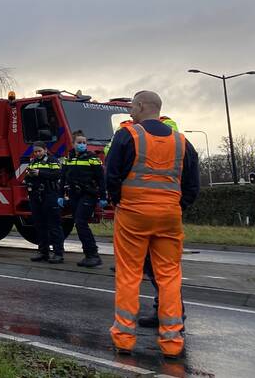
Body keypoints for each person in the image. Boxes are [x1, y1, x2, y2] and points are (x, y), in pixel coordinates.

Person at [106, 91, 199, 359]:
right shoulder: (182, 142)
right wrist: (177, 205)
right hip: (169, 214)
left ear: (143, 106)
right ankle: (172, 341)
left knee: (129, 273)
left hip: (133, 214)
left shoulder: (128, 135)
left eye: (132, 106)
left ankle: (124, 338)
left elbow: (111, 175)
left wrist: (119, 201)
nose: (130, 111)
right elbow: (192, 185)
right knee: (169, 275)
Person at [62, 130, 108, 267]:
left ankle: (93, 254)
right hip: (74, 195)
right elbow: (63, 177)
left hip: (88, 194)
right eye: (79, 142)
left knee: (81, 222)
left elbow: (101, 179)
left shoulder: (92, 158)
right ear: (73, 143)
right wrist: (60, 195)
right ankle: (89, 255)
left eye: (84, 143)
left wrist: (103, 196)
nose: (82, 145)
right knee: (78, 222)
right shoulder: (68, 159)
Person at [24, 141, 64, 263]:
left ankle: (58, 253)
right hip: (36, 196)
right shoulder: (33, 162)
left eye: (39, 151)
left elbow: (57, 174)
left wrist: (40, 173)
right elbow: (26, 177)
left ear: (45, 150)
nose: (37, 153)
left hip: (50, 195)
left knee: (54, 225)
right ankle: (43, 252)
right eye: (35, 152)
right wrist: (29, 176)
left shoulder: (52, 161)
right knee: (40, 225)